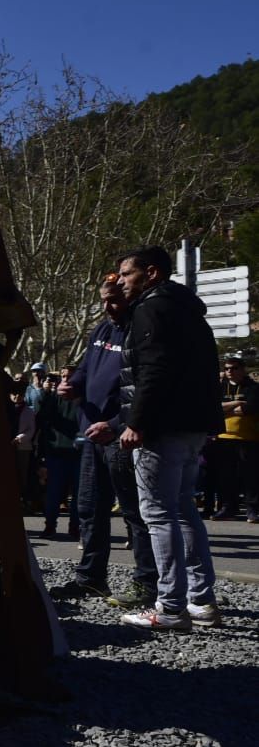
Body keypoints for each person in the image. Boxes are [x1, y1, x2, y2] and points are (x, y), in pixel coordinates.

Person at [97, 246, 222, 631]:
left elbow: (152, 370)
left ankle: (169, 607)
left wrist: (136, 422)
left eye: (126, 274)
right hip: (191, 425)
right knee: (184, 510)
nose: (120, 281)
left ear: (151, 274)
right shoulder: (185, 310)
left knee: (159, 514)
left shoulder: (152, 309)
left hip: (161, 428)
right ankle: (200, 599)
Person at [54, 279, 157, 604]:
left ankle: (147, 582)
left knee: (133, 512)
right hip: (90, 434)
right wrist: (73, 386)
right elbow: (86, 370)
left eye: (113, 300)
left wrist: (116, 424)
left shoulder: (138, 332)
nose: (107, 307)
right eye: (103, 300)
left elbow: (144, 387)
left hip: (120, 436)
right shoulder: (101, 331)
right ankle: (91, 578)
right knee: (89, 508)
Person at [209, 356, 259, 522]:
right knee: (226, 475)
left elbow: (249, 408)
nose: (230, 371)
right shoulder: (220, 387)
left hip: (247, 437)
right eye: (227, 368)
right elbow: (213, 407)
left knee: (249, 476)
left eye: (234, 368)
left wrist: (226, 408)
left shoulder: (253, 388)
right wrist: (237, 402)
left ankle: (252, 509)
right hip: (223, 437)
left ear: (242, 369)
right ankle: (228, 507)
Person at [36, 368, 82, 540]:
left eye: (69, 377)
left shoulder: (84, 397)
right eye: (63, 377)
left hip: (78, 452)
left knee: (79, 494)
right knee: (53, 493)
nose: (65, 380)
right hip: (56, 452)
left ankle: (75, 527)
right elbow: (42, 422)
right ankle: (49, 525)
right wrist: (46, 393)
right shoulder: (53, 398)